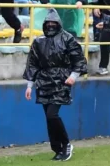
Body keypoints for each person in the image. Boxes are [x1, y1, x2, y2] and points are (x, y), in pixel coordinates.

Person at [23, 9, 87, 161]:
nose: (51, 25)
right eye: (48, 23)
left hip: (61, 80)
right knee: (49, 117)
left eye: (54, 23)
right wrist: (29, 85)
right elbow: (32, 64)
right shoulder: (38, 41)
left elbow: (78, 59)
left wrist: (73, 76)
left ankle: (65, 144)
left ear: (58, 24)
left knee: (53, 114)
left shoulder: (67, 38)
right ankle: (57, 149)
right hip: (44, 81)